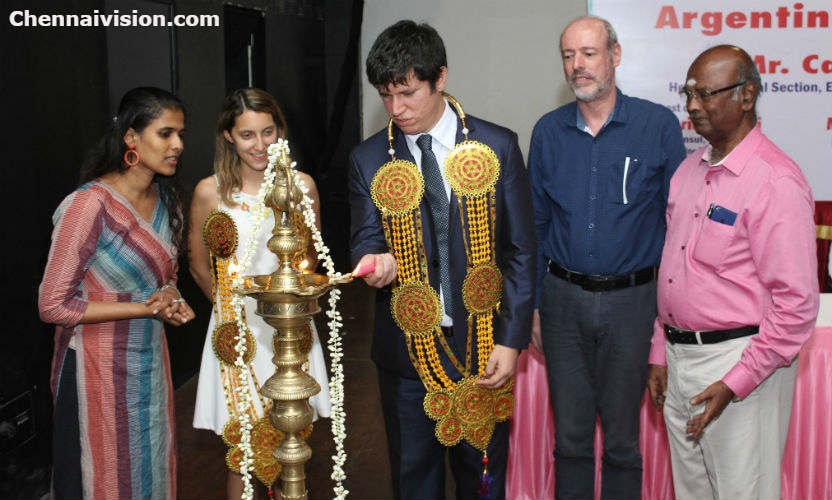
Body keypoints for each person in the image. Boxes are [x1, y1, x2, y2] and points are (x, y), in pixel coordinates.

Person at [349, 20, 536, 500]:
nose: (397, 109)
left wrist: (512, 340)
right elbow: (365, 239)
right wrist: (375, 262)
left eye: (408, 93)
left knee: (483, 482)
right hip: (407, 355)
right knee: (414, 482)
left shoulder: (496, 146)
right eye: (386, 96)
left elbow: (520, 252)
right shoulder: (369, 158)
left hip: (484, 346)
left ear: (441, 78)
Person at [646, 45, 818, 500]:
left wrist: (736, 382)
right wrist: (661, 352)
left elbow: (797, 306)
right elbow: (673, 274)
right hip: (680, 360)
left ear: (747, 96)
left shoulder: (775, 180)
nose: (693, 105)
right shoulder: (687, 172)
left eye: (706, 93)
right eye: (688, 94)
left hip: (740, 365)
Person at [528, 16, 686, 499]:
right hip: (562, 303)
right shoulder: (548, 132)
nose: (578, 65)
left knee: (622, 443)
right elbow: (536, 225)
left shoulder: (656, 127)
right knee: (570, 441)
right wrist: (534, 306)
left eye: (589, 53)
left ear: (615, 55)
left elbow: (679, 228)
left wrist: (666, 316)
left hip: (633, 306)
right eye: (568, 55)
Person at [38, 87, 194, 499]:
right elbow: (52, 305)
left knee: (148, 468)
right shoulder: (88, 206)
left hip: (149, 363)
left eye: (180, 134)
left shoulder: (168, 200)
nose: (178, 145)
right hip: (94, 368)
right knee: (97, 476)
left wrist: (169, 297)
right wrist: (143, 308)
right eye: (165, 133)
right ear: (131, 138)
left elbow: (167, 276)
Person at [189, 88, 331, 499]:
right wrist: (229, 313)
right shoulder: (211, 192)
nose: (260, 145)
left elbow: (311, 259)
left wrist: (290, 305)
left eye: (267, 132)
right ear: (228, 136)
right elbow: (198, 264)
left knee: (294, 441)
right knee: (242, 451)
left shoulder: (301, 186)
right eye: (247, 135)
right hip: (237, 332)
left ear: (279, 131)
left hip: (289, 326)